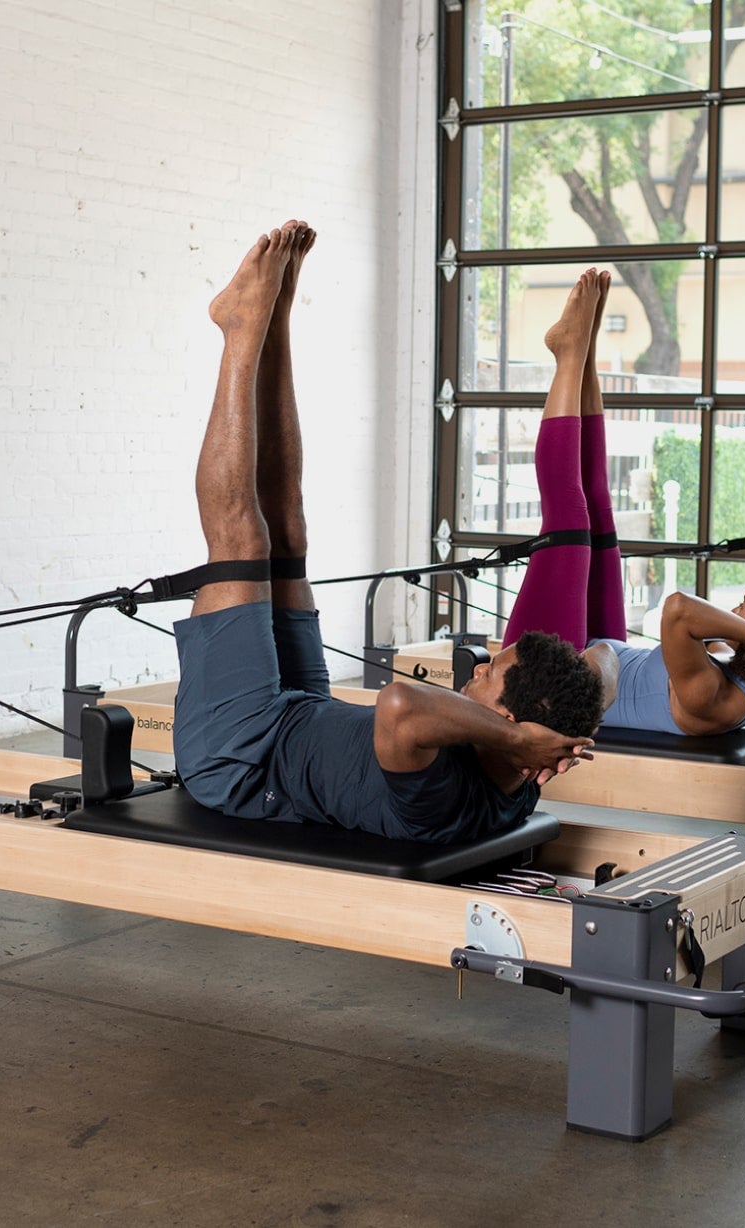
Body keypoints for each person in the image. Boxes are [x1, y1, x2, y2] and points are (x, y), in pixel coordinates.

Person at [171, 221, 604, 844]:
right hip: (305, 713)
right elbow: (607, 659)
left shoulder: (448, 796)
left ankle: (239, 329)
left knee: (243, 545)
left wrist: (518, 740)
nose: (475, 669)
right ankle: (276, 318)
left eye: (487, 676)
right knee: (288, 523)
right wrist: (550, 733)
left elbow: (400, 703)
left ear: (511, 721)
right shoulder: (519, 758)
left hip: (242, 759)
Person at [473, 269, 745, 738]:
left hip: (549, 687)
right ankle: (583, 353)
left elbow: (678, 608)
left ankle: (567, 355)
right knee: (599, 518)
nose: (735, 610)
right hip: (605, 654)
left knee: (567, 520)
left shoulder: (714, 695)